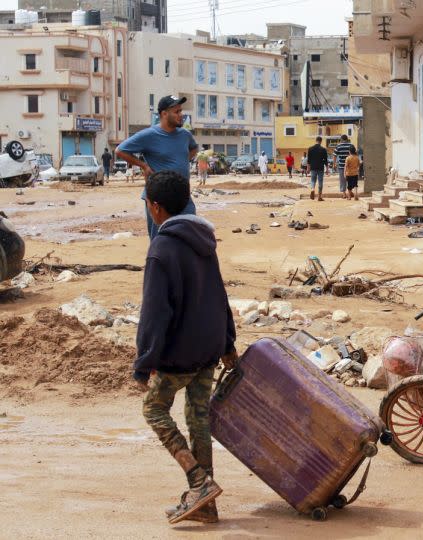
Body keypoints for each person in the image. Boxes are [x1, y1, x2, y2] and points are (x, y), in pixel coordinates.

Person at [134, 170, 237, 524]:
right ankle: (205, 504)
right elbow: (219, 293)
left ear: (156, 207)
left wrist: (143, 363)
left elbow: (154, 313)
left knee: (154, 410)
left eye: (147, 203)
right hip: (208, 346)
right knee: (198, 419)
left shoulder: (160, 249)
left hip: (179, 353)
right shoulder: (203, 240)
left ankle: (199, 481)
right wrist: (227, 342)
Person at [116, 95, 199, 239]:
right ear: (164, 114)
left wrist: (181, 161)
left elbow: (194, 148)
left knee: (189, 237)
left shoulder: (185, 135)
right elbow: (120, 150)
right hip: (159, 199)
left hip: (183, 196)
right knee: (161, 239)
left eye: (181, 111)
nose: (181, 115)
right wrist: (144, 166)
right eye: (177, 112)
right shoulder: (149, 135)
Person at [306, 136, 328, 201]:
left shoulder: (310, 149)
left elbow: (309, 160)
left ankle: (312, 189)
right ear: (321, 141)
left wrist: (308, 168)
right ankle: (319, 196)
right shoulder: (323, 149)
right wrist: (327, 169)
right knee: (320, 181)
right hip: (320, 167)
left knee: (313, 180)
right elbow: (326, 160)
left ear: (316, 140)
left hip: (313, 167)